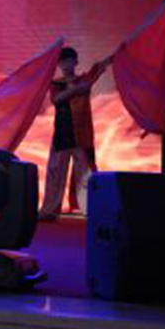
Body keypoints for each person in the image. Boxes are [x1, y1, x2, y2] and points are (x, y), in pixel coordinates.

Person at [39, 47, 112, 221]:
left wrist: (119, 52)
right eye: (63, 61)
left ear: (76, 62)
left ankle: (90, 210)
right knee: (55, 173)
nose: (66, 64)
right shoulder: (56, 84)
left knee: (85, 174)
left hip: (81, 133)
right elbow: (56, 99)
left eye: (70, 60)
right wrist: (77, 90)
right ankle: (49, 210)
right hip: (62, 133)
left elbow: (100, 66)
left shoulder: (84, 79)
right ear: (59, 64)